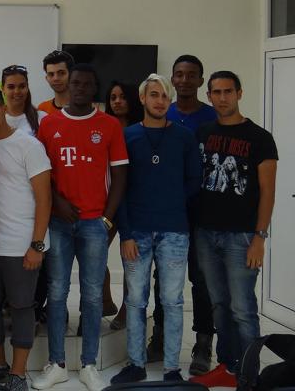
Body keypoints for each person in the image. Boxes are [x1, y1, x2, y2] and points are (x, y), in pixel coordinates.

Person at [33, 63, 128, 391]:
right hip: (58, 223)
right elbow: (41, 173)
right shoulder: (49, 125)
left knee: (91, 296)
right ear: (67, 86)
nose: (80, 88)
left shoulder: (109, 125)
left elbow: (119, 176)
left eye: (87, 84)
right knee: (57, 293)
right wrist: (57, 202)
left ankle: (89, 364)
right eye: (75, 83)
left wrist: (107, 218)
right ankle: (57, 363)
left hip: (93, 224)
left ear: (94, 88)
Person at [110, 74, 200, 384]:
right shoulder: (128, 137)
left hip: (174, 230)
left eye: (165, 95)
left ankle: (172, 369)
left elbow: (193, 181)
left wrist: (171, 202)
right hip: (136, 231)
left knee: (173, 301)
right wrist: (126, 233)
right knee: (135, 300)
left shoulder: (185, 137)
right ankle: (136, 363)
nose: (160, 100)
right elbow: (118, 188)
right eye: (154, 95)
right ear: (143, 99)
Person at [190, 71, 278, 388]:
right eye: (217, 92)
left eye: (228, 91)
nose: (223, 97)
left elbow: (268, 192)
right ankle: (229, 367)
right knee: (219, 305)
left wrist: (260, 237)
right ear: (209, 96)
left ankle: (249, 375)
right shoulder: (202, 133)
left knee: (243, 308)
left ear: (239, 93)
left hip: (241, 236)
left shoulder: (260, 138)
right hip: (205, 233)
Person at [0, 88, 52, 391]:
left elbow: (45, 199)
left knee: (20, 306)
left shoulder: (28, 145)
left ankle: (19, 374)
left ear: (4, 108)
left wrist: (37, 245)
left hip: (22, 244)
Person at [160, 54, 217, 374]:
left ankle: (204, 341)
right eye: (178, 74)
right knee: (163, 278)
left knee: (201, 277)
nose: (183, 80)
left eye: (190, 75)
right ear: (172, 77)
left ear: (200, 80)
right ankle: (160, 335)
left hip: (201, 210)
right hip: (165, 210)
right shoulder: (162, 112)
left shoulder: (211, 118)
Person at [103, 81, 143, 330]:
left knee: (131, 260)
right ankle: (105, 300)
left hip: (134, 202)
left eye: (122, 97)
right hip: (107, 202)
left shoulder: (141, 128)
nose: (117, 101)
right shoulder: (103, 126)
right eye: (113, 97)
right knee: (94, 254)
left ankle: (128, 310)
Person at [2, 64, 46, 136]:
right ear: (3, 89)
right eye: (11, 87)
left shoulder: (42, 118)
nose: (17, 91)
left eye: (22, 86)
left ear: (27, 87)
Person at [37, 50, 74, 116]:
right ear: (46, 78)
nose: (56, 78)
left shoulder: (83, 109)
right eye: (51, 74)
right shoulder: (42, 109)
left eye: (61, 73)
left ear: (72, 75)